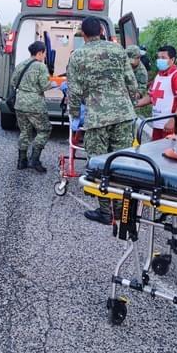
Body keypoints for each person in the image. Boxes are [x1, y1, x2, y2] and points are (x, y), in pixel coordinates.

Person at [67, 16, 138, 225]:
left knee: (99, 164)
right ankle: (122, 211)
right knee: (122, 163)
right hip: (124, 115)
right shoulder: (118, 51)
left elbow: (74, 90)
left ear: (83, 33)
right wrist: (131, 103)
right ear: (101, 30)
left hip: (98, 119)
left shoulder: (78, 56)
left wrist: (75, 115)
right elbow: (131, 82)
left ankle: (106, 213)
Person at [12, 41, 54, 172]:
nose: (45, 56)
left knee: (25, 131)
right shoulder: (41, 67)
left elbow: (13, 81)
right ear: (40, 53)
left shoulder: (21, 64)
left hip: (19, 103)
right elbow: (45, 86)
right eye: (44, 53)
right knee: (44, 130)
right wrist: (53, 83)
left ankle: (21, 161)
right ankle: (34, 160)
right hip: (34, 104)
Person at [136, 45, 177, 140]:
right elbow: (151, 97)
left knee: (169, 151)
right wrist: (133, 104)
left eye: (163, 58)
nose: (159, 60)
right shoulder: (159, 76)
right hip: (158, 123)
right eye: (158, 57)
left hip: (171, 125)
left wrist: (174, 119)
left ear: (172, 59)